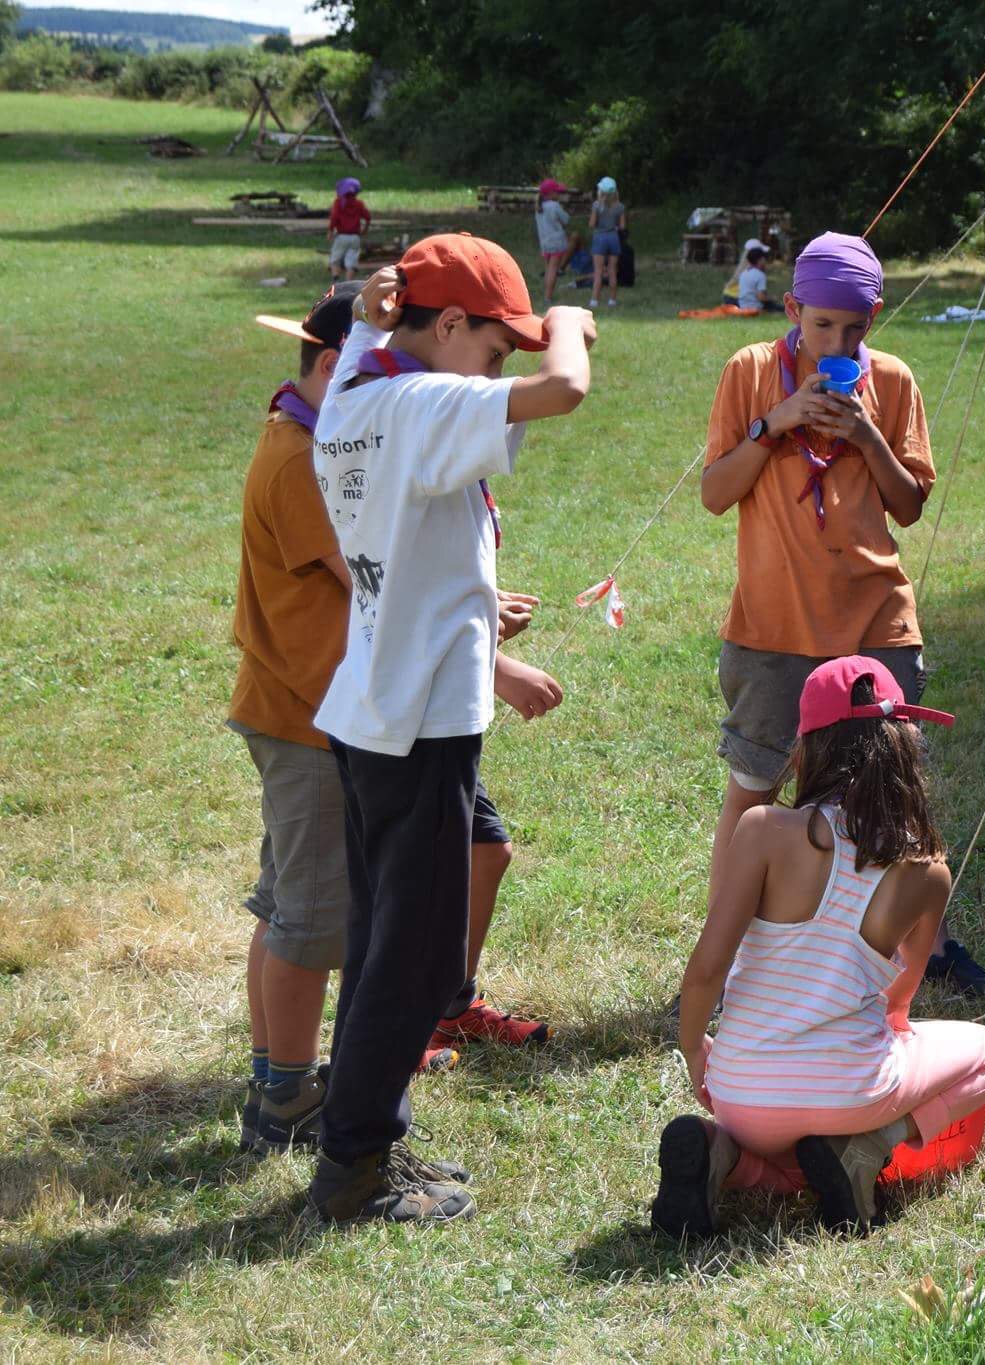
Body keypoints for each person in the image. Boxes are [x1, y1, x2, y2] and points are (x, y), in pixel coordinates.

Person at [304, 237, 593, 1224]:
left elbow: (363, 341)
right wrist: (570, 330)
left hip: (376, 706)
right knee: (416, 961)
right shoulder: (420, 401)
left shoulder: (355, 385)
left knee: (386, 942)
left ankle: (367, 1130)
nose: (505, 364)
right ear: (450, 325)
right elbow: (564, 394)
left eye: (517, 347)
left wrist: (375, 315)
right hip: (418, 721)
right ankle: (352, 1167)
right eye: (495, 343)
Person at [235, 288, 557, 1158]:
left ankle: (418, 1019)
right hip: (315, 713)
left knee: (412, 886)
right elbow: (376, 580)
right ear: (343, 366)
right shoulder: (302, 450)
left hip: (378, 704)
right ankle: (285, 1091)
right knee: (309, 916)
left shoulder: (330, 422)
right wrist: (496, 655)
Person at [696, 229, 985, 999]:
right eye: (822, 324)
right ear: (793, 307)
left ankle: (912, 953)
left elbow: (909, 503)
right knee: (756, 786)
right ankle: (724, 959)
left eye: (854, 328)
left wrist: (863, 432)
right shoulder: (752, 371)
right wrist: (778, 421)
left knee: (891, 792)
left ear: (874, 319)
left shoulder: (892, 382)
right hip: (774, 625)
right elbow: (714, 491)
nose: (836, 339)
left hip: (876, 619)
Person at [654, 658, 985, 1237]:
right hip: (850, 1094)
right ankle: (868, 1147)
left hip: (740, 1094)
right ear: (903, 747)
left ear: (807, 747)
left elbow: (704, 972)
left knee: (772, 1130)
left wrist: (698, 1052)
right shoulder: (927, 869)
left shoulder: (764, 830)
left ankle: (730, 1158)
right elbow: (899, 1005)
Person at [534, 179, 574, 305]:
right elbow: (566, 220)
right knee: (553, 269)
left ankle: (547, 294)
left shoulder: (538, 207)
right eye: (557, 192)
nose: (559, 194)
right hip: (556, 242)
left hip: (544, 243)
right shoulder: (555, 206)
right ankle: (548, 297)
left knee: (548, 268)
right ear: (551, 194)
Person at [589, 176, 626, 309]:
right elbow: (622, 227)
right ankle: (612, 300)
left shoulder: (596, 205)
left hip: (599, 238)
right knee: (612, 271)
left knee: (598, 271)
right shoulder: (620, 207)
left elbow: (592, 224)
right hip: (613, 238)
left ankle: (595, 300)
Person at [327, 177, 370, 283]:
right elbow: (368, 217)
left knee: (335, 259)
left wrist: (330, 230)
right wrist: (365, 228)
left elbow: (334, 217)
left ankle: (336, 281)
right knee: (351, 261)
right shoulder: (359, 204)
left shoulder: (338, 203)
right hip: (355, 237)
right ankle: (349, 282)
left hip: (342, 236)